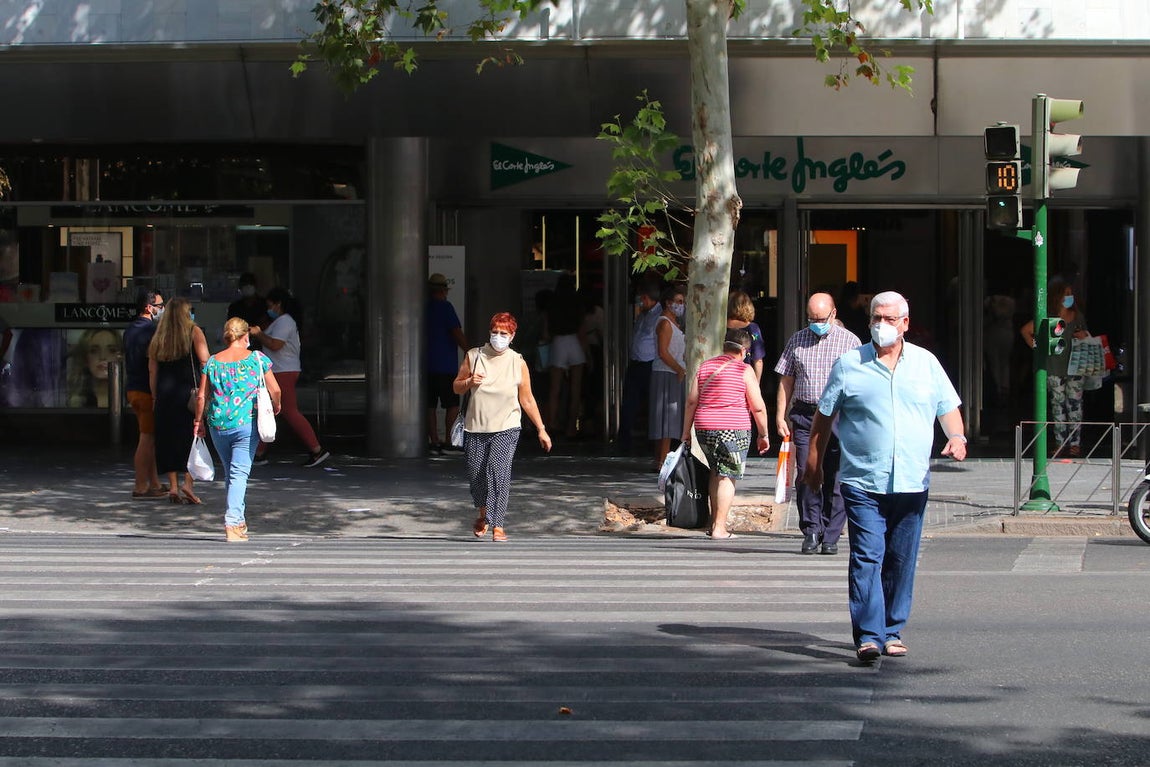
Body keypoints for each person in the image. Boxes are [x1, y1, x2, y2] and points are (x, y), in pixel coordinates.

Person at [804, 290, 966, 662]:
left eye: (890, 319)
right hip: (862, 480)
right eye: (876, 319)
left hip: (911, 481)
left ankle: (892, 630)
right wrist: (813, 467)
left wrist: (956, 437)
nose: (881, 326)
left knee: (900, 558)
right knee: (867, 554)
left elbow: (949, 408)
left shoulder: (926, 364)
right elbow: (823, 418)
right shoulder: (848, 365)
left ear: (905, 323)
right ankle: (869, 635)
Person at [774, 292, 861, 555]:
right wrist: (780, 414)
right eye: (811, 318)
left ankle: (831, 534)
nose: (815, 323)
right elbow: (786, 380)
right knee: (807, 472)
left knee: (836, 475)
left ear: (833, 314)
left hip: (839, 416)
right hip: (806, 416)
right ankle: (811, 529)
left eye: (820, 318)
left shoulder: (851, 342)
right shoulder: (797, 340)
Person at [453, 312, 551, 542]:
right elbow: (456, 387)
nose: (498, 337)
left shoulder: (518, 362)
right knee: (477, 476)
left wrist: (541, 428)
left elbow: (526, 399)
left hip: (507, 427)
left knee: (498, 472)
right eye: (495, 332)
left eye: (503, 333)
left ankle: (498, 524)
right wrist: (469, 382)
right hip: (475, 427)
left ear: (512, 336)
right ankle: (484, 513)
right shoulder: (474, 356)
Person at [194, 317, 281, 542]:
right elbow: (276, 390)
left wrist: (198, 422)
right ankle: (232, 523)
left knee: (231, 473)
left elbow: (202, 395)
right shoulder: (258, 359)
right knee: (239, 473)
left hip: (218, 424)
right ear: (246, 337)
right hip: (245, 423)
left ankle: (239, 521)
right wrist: (276, 405)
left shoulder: (213, 362)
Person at [680, 328, 771, 540]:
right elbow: (757, 407)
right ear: (745, 351)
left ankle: (714, 523)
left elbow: (691, 401)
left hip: (704, 428)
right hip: (732, 429)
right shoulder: (745, 370)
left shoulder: (705, 366)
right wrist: (763, 434)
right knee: (727, 475)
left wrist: (686, 432)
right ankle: (720, 528)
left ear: (724, 346)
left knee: (716, 471)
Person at [250, 287, 330, 468]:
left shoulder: (285, 322)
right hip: (281, 370)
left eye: (270, 305)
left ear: (278, 304)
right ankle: (259, 452)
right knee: (271, 410)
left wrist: (258, 334)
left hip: (282, 371)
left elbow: (275, 345)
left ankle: (316, 449)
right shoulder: (281, 321)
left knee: (288, 411)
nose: (268, 308)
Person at [148, 297, 209, 505]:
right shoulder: (194, 331)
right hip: (188, 394)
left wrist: (155, 395)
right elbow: (205, 361)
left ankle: (173, 486)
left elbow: (152, 369)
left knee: (168, 440)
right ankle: (188, 484)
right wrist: (205, 390)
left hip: (165, 395)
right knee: (191, 437)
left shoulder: (159, 335)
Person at [1019, 276, 1088, 457]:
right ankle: (1061, 442)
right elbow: (1026, 330)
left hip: (1075, 367)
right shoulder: (1048, 317)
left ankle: (1075, 443)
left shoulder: (1077, 316)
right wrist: (1038, 347)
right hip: (1054, 367)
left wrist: (1084, 336)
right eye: (1066, 294)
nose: (1069, 297)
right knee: (1057, 405)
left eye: (1071, 294)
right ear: (1057, 297)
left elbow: (1087, 336)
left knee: (1075, 406)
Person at [123, 289, 167, 500]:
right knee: (147, 439)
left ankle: (155, 483)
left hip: (132, 388)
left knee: (151, 437)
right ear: (149, 308)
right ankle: (141, 486)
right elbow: (152, 366)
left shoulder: (130, 329)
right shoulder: (152, 331)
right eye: (159, 306)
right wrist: (156, 392)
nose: (162, 310)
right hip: (146, 390)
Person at [616, 282, 662, 454]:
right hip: (636, 363)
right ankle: (624, 440)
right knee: (629, 403)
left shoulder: (659, 315)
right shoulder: (643, 314)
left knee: (651, 404)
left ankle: (652, 441)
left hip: (650, 364)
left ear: (645, 298)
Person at [427, 272, 467, 454]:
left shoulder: (423, 308)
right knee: (452, 404)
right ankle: (449, 442)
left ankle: (433, 440)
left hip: (426, 365)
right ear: (444, 291)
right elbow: (456, 333)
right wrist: (470, 351)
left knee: (429, 405)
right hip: (445, 365)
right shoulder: (446, 307)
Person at [544, 272, 587, 439]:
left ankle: (551, 425)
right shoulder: (577, 302)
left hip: (558, 342)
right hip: (574, 341)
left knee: (554, 388)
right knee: (575, 389)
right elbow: (582, 329)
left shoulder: (552, 303)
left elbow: (547, 331)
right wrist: (587, 352)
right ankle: (571, 427)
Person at [649, 284, 686, 469]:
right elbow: (663, 352)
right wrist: (679, 369)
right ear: (668, 303)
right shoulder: (664, 323)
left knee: (670, 418)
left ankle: (661, 460)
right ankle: (662, 461)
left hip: (672, 372)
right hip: (666, 372)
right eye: (678, 301)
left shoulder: (674, 323)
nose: (681, 305)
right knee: (667, 418)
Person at [67, 328, 122, 408]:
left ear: (121, 358)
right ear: (85, 358)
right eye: (94, 351)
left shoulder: (132, 400)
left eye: (112, 350)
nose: (102, 357)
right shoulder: (68, 400)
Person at [726, 290, 767, 382]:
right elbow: (758, 360)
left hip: (722, 379)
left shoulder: (720, 327)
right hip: (744, 379)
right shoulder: (753, 328)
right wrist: (756, 384)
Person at [226, 272, 268, 350]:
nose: (248, 286)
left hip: (263, 345)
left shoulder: (265, 304)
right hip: (240, 345)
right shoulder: (235, 307)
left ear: (255, 286)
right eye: (245, 284)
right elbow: (231, 327)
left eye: (250, 284)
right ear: (240, 288)